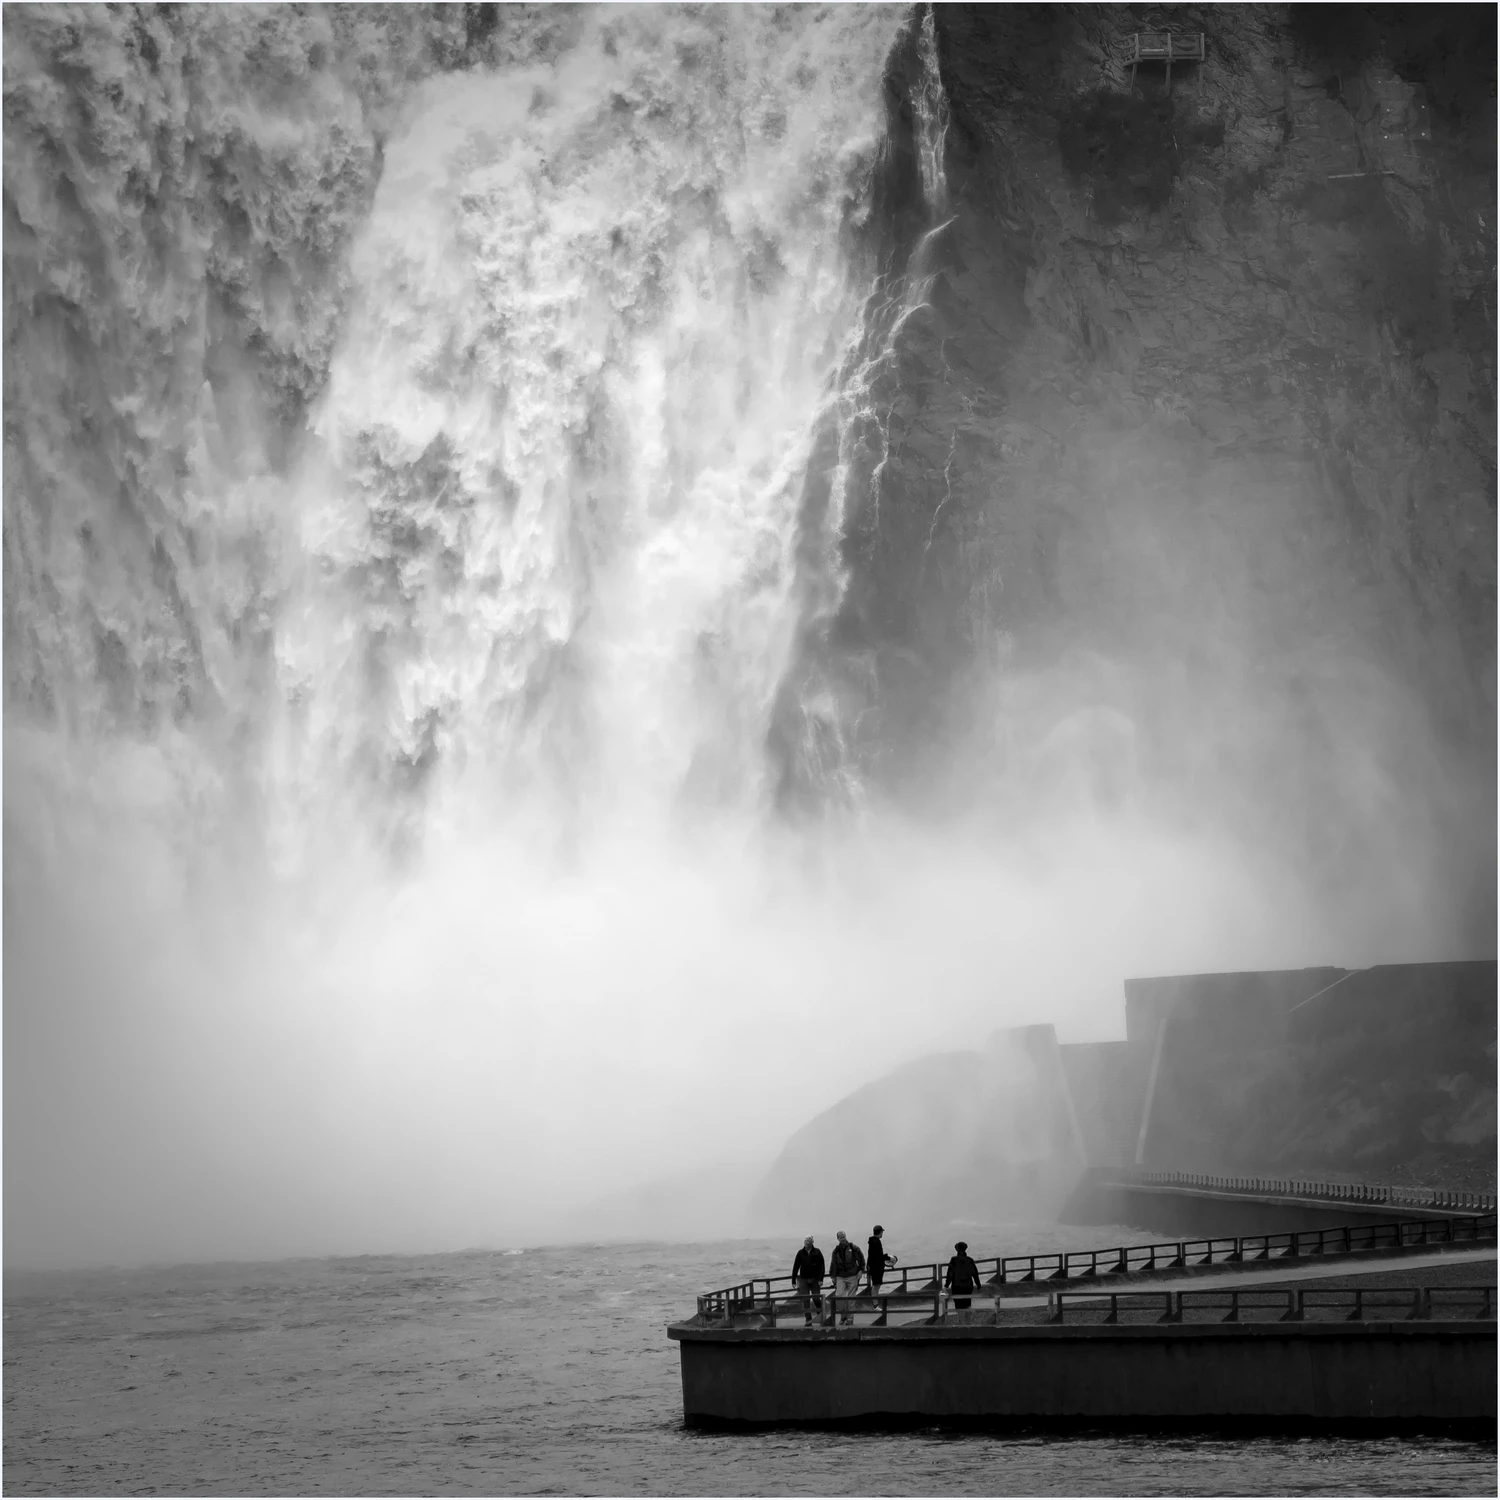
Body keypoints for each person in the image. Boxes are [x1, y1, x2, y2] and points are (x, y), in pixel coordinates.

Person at [829, 1230, 866, 1325]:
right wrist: (833, 1276)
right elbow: (833, 1263)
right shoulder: (836, 1251)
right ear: (838, 1239)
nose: (843, 1239)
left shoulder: (854, 1248)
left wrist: (861, 1270)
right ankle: (843, 1316)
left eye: (844, 1236)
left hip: (852, 1275)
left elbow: (861, 1259)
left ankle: (850, 1318)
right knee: (839, 1297)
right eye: (841, 1237)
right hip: (840, 1277)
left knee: (851, 1299)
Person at [791, 1236, 825, 1327]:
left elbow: (822, 1266)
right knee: (805, 1300)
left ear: (812, 1243)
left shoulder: (817, 1252)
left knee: (816, 1298)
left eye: (808, 1242)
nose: (806, 1244)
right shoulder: (800, 1253)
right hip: (803, 1279)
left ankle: (820, 1315)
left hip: (815, 1279)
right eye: (805, 1242)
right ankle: (808, 1319)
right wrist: (793, 1280)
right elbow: (796, 1266)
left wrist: (821, 1279)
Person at [945, 1240, 981, 1312]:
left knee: (958, 1305)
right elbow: (975, 1274)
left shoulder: (953, 1260)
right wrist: (978, 1284)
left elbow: (950, 1274)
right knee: (967, 1303)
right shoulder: (970, 1260)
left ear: (956, 1249)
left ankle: (961, 1321)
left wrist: (946, 1285)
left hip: (957, 1286)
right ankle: (966, 1320)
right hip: (968, 1286)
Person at [867, 1225, 895, 1299]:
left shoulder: (873, 1241)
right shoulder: (876, 1242)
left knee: (877, 1285)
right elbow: (878, 1256)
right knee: (876, 1285)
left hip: (875, 1267)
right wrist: (888, 1257)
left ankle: (875, 1304)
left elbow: (873, 1256)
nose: (882, 1233)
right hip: (876, 1268)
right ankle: (875, 1304)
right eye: (882, 1232)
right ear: (880, 1232)